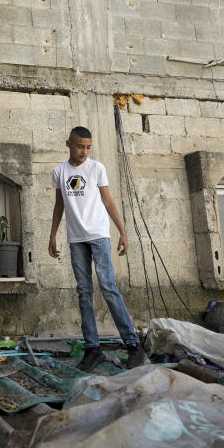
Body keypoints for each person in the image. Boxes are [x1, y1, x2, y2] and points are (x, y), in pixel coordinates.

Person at [49, 126, 146, 370]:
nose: (84, 151)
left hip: (99, 235)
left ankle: (133, 345)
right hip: (75, 238)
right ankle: (92, 349)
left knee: (107, 285)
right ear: (68, 144)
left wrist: (123, 233)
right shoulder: (59, 171)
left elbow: (108, 200)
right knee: (83, 291)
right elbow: (59, 205)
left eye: (88, 147)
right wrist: (52, 236)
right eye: (80, 146)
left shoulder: (96, 168)